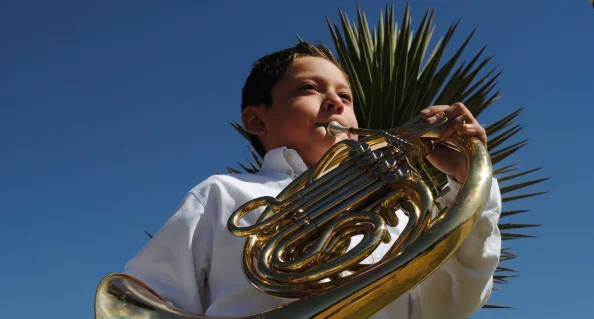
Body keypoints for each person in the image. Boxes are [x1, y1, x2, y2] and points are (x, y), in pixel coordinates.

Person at [123, 42, 502, 319]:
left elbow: (450, 303)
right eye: (309, 88)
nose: (336, 103)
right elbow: (156, 294)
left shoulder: (401, 213)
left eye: (346, 97)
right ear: (256, 120)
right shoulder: (224, 193)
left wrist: (469, 181)